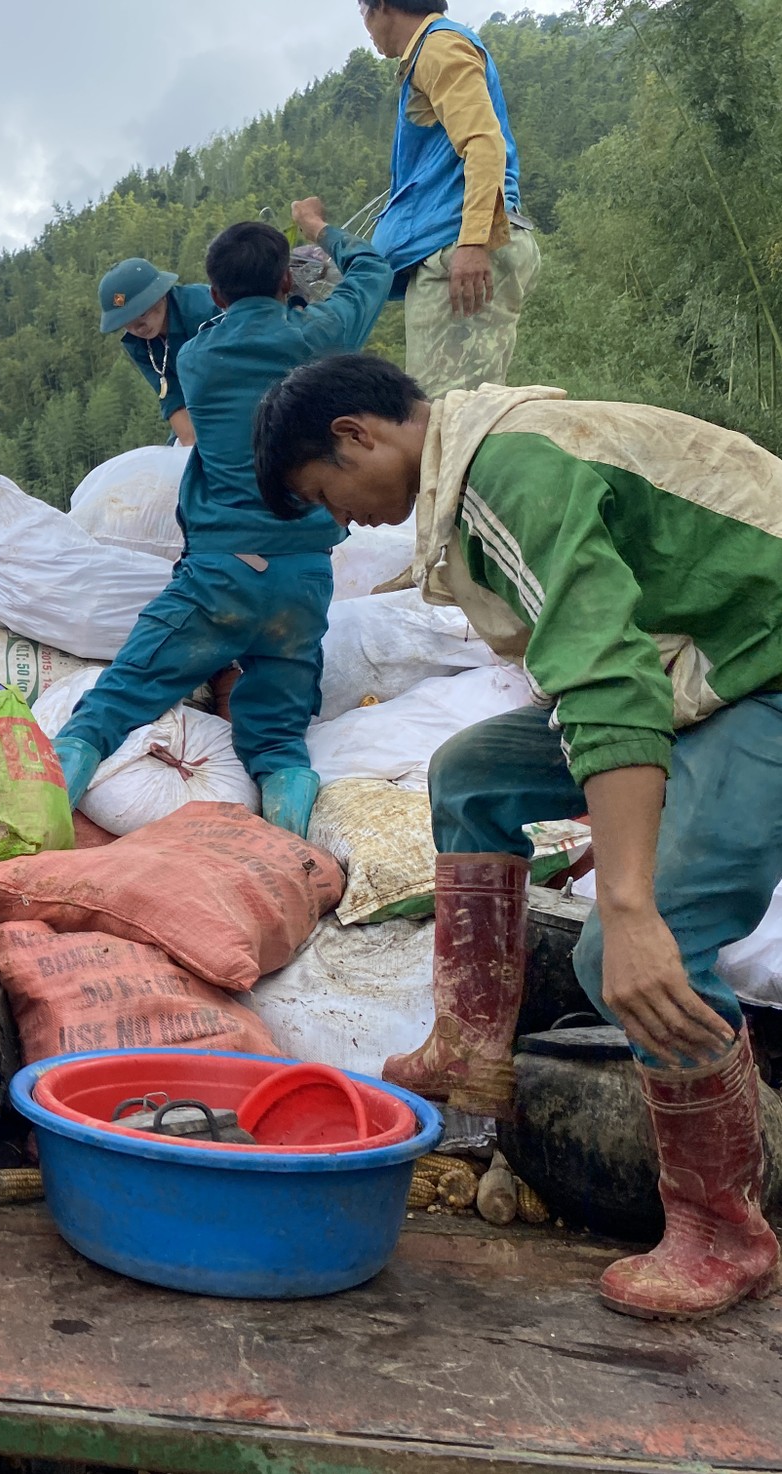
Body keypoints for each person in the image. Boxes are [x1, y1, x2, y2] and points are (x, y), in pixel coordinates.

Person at [252, 352, 782, 1321]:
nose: (340, 520)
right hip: (702, 662)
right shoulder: (474, 465)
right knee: (470, 775)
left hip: (764, 665)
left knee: (635, 946)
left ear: (356, 435)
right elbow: (607, 666)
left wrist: (624, 896)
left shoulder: (506, 473)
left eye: (324, 494)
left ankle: (722, 1225)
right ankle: (469, 1043)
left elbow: (607, 680)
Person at [53, 202, 394, 840]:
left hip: (219, 574)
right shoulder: (319, 334)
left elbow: (191, 425)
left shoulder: (195, 361)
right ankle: (291, 851)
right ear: (288, 282)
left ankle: (32, 837)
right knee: (281, 742)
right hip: (303, 577)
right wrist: (322, 231)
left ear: (212, 293)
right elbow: (371, 270)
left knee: (114, 703)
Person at [360, 0, 540, 396]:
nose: (366, 29)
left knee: (448, 417)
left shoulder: (439, 48)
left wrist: (474, 242)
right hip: (451, 252)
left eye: (363, 13)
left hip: (458, 254)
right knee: (448, 414)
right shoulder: (431, 53)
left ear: (382, 7)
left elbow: (482, 142)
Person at [98, 257, 216, 446]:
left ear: (161, 295)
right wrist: (190, 449)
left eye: (142, 314)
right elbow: (171, 396)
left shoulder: (205, 311)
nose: (138, 328)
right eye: (126, 322)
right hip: (195, 408)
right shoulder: (136, 343)